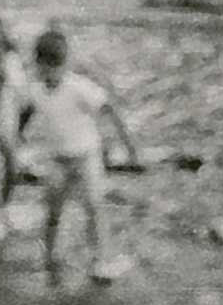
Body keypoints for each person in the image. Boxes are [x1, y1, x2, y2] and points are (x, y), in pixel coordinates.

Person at [25, 24, 139, 286]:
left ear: (65, 64)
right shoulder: (35, 90)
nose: (50, 73)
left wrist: (130, 148)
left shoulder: (78, 87)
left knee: (93, 207)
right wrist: (18, 142)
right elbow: (27, 113)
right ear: (38, 64)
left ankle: (101, 259)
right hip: (56, 158)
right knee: (52, 209)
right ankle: (50, 256)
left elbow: (109, 109)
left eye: (56, 66)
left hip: (85, 156)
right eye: (45, 67)